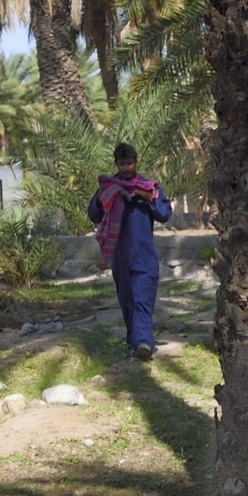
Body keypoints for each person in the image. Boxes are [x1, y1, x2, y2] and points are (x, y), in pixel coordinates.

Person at [88, 142, 172, 361]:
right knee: (127, 300)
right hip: (120, 256)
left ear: (136, 163)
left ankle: (143, 342)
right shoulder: (108, 189)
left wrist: (149, 199)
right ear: (116, 164)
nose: (126, 168)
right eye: (122, 164)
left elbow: (164, 213)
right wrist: (102, 197)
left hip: (144, 254)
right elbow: (93, 214)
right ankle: (133, 341)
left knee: (142, 297)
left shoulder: (148, 187)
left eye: (129, 163)